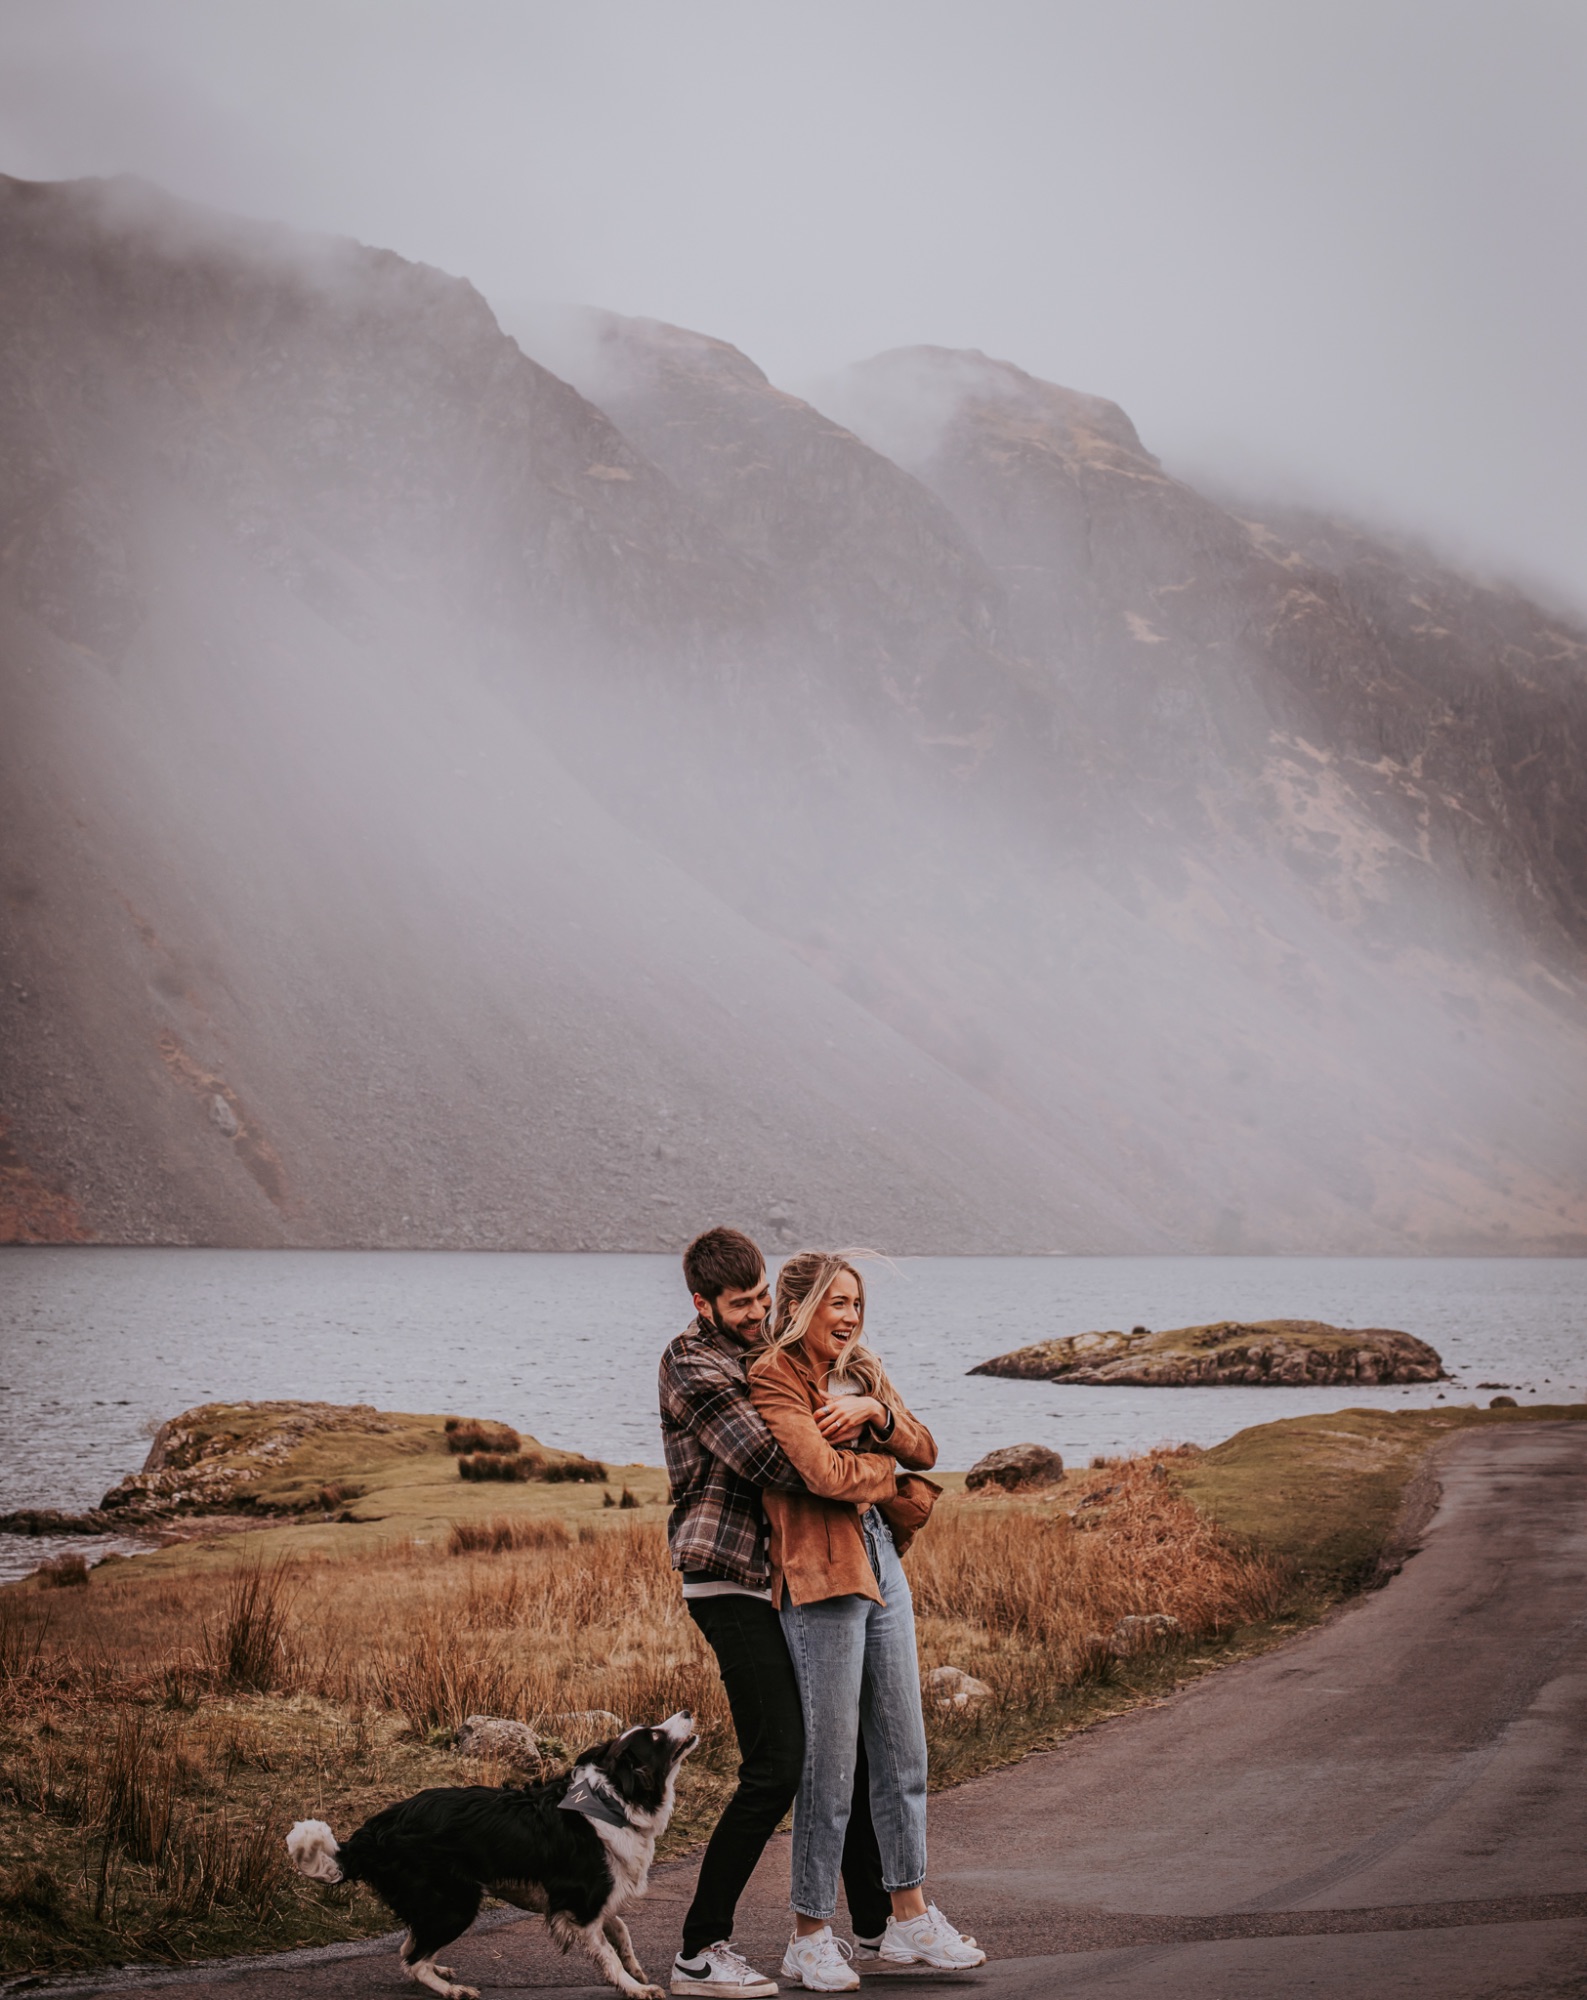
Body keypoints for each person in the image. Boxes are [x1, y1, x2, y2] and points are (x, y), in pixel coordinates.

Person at [659, 1227, 892, 1999]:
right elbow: (774, 1460)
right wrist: (877, 1456)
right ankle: (698, 1952)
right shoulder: (691, 1363)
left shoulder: (765, 1354)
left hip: (781, 1585)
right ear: (703, 1304)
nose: (758, 1312)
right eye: (740, 1303)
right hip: (726, 1583)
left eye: (763, 1296)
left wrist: (858, 1414)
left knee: (839, 1750)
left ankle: (878, 1925)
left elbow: (818, 1443)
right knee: (776, 1766)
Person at [747, 1251, 986, 1993]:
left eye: (854, 1303)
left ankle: (908, 1919)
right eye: (834, 1304)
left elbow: (924, 1445)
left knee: (902, 1749)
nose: (848, 1317)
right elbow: (822, 1475)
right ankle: (808, 1933)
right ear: (798, 1307)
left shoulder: (864, 1371)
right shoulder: (772, 1375)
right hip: (821, 1570)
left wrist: (874, 1414)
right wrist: (887, 1478)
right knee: (830, 1764)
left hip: (881, 1559)